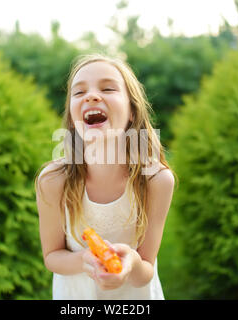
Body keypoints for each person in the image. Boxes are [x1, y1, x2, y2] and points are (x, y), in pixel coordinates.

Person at [34, 53, 178, 299]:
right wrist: (84, 260)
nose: (91, 95)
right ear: (72, 117)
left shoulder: (157, 181)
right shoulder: (53, 181)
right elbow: (52, 256)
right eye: (79, 93)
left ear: (132, 111)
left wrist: (131, 262)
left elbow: (146, 269)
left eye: (108, 88)